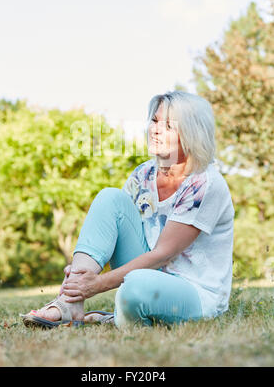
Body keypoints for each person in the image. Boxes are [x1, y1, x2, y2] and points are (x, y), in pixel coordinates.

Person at [22, 90, 234, 329]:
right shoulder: (144, 174)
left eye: (167, 125)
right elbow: (113, 229)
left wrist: (96, 284)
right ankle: (69, 302)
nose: (155, 129)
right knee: (109, 197)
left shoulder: (205, 183)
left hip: (194, 291)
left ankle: (121, 314)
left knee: (134, 287)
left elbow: (163, 254)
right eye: (154, 121)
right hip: (149, 273)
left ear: (191, 133)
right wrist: (81, 275)